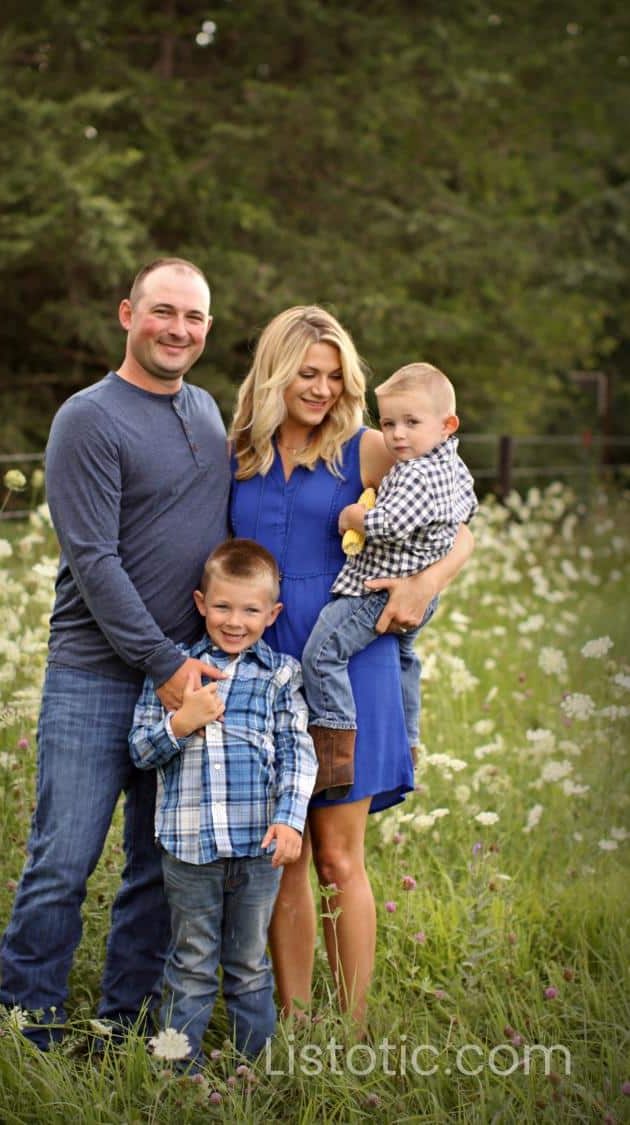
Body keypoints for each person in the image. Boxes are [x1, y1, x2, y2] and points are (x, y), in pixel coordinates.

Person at [0, 258, 231, 1048]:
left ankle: (123, 1023)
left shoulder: (205, 411)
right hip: (97, 677)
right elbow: (94, 561)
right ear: (127, 313)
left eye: (194, 317)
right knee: (62, 864)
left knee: (156, 871)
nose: (178, 329)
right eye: (163, 311)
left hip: (181, 680)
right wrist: (166, 665)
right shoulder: (88, 418)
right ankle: (29, 1027)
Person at [229, 307, 473, 1027]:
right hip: (269, 663)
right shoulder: (238, 448)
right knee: (287, 855)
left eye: (335, 376)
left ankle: (354, 1025)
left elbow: (459, 525)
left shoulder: (368, 448)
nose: (322, 387)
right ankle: (297, 1022)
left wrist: (424, 585)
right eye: (308, 372)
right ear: (276, 370)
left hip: (347, 662)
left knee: (340, 857)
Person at [129, 539, 317, 1066]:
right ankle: (177, 1069)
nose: (235, 621)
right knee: (190, 962)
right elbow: (140, 751)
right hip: (189, 852)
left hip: (258, 849)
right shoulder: (176, 674)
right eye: (223, 607)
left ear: (272, 613)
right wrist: (181, 723)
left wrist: (290, 821)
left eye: (251, 610)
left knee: (249, 964)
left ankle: (254, 1068)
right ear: (200, 604)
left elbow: (297, 754)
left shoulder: (280, 675)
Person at [302, 362, 478, 785]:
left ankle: (334, 749)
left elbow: (388, 525)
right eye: (388, 422)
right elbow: (468, 509)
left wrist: (354, 516)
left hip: (378, 591)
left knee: (323, 654)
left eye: (411, 422)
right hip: (419, 590)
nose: (397, 434)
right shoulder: (452, 465)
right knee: (404, 659)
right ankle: (409, 741)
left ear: (447, 424)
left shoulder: (416, 473)